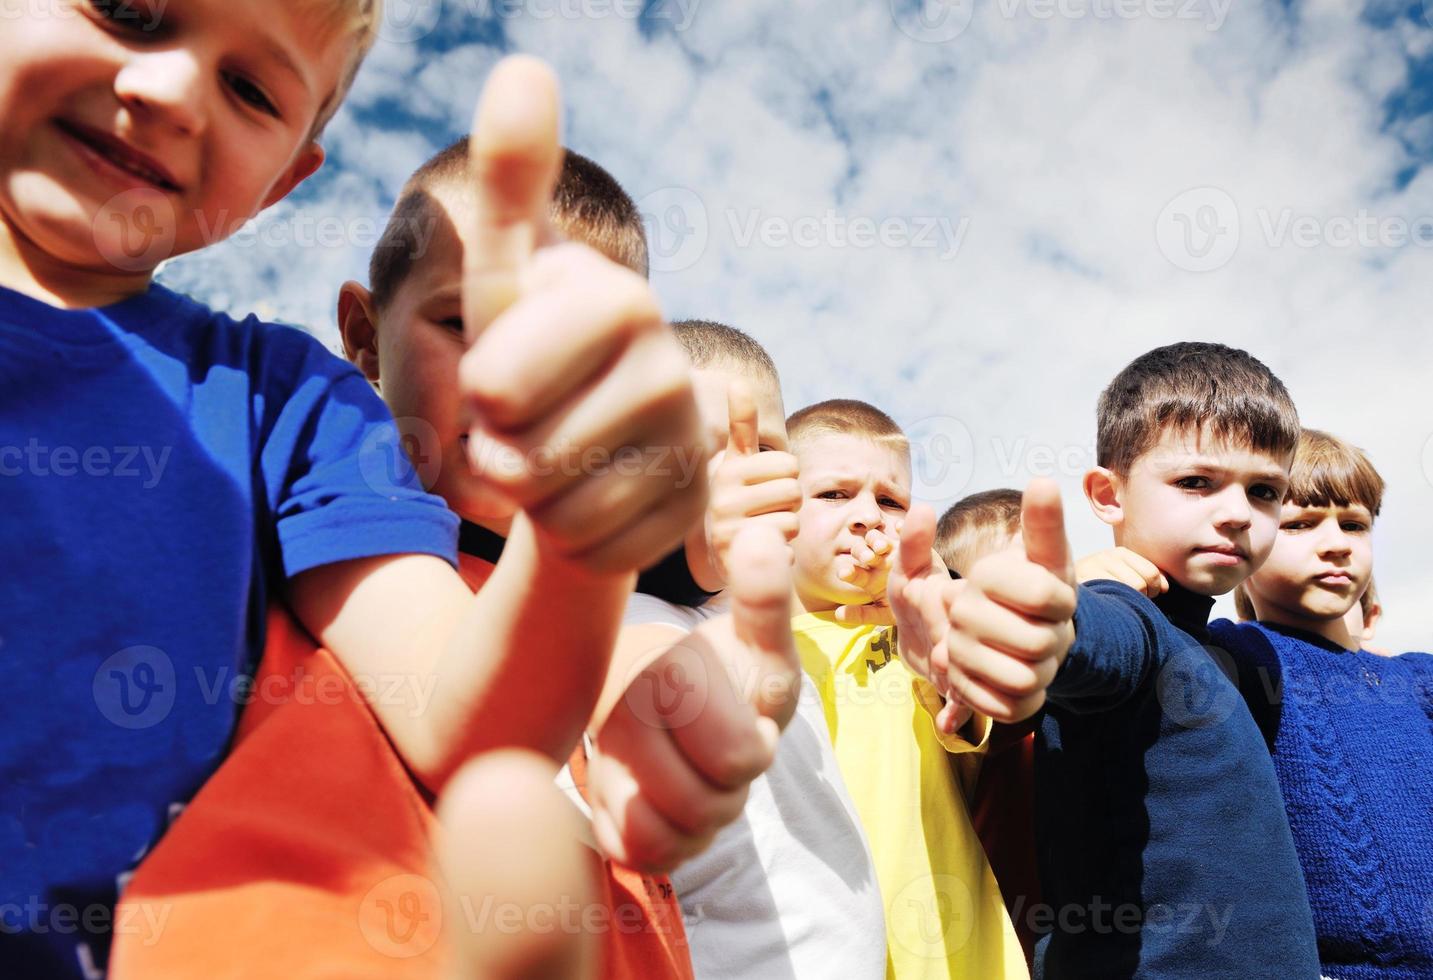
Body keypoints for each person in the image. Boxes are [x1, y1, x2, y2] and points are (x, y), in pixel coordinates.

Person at [1, 31, 708, 974]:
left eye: (250, 87)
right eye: (129, 8)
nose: (171, 90)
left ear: (288, 175)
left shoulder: (281, 399)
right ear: (365, 337)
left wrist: (579, 540)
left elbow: (461, 712)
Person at [905, 342, 1322, 977]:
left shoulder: (1213, 649)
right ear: (1107, 495)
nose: (1238, 512)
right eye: (1195, 482)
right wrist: (1040, 628)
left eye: (1264, 490)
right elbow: (1096, 641)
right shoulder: (1126, 614)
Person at [599, 321, 887, 980]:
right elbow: (653, 686)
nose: (741, 469)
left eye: (763, 447)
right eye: (701, 448)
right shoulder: (621, 614)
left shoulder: (765, 605)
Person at [784, 398, 1051, 978]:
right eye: (834, 494)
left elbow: (990, 708)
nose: (867, 517)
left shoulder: (929, 636)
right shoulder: (743, 644)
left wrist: (937, 619)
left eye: (890, 501)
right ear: (780, 512)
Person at [1209, 429, 1433, 976]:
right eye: (1300, 524)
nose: (1338, 544)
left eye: (1354, 524)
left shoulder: (1416, 677)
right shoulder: (1240, 654)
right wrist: (1111, 580)